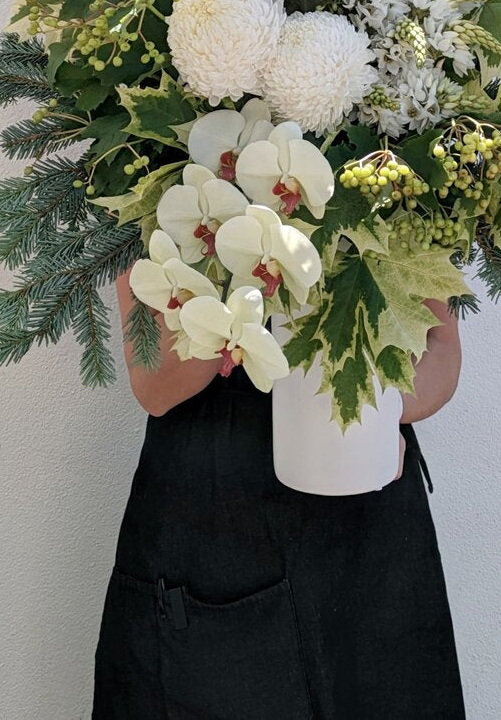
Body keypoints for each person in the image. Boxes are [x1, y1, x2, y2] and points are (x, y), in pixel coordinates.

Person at [92, 268, 466, 719]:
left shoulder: (399, 219)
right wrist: (255, 268)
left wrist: (377, 415)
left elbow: (441, 350)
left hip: (366, 528)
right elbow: (154, 384)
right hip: (215, 525)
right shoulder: (158, 219)